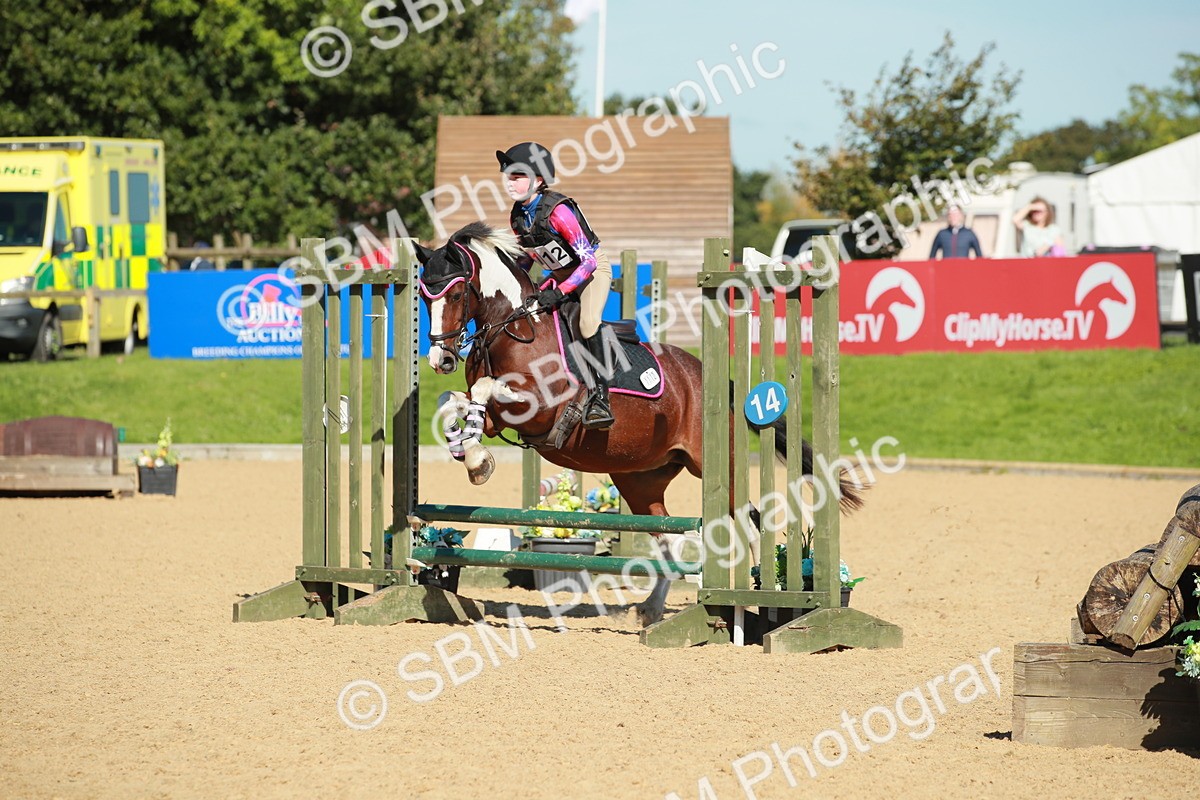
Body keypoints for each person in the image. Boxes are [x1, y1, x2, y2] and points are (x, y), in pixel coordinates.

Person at [497, 141, 614, 430]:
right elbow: (528, 259)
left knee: (587, 323)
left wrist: (559, 292)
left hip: (592, 271)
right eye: (508, 176)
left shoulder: (559, 211)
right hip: (559, 276)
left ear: (538, 180)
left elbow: (586, 262)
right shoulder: (517, 216)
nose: (510, 183)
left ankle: (601, 397)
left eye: (517, 176)